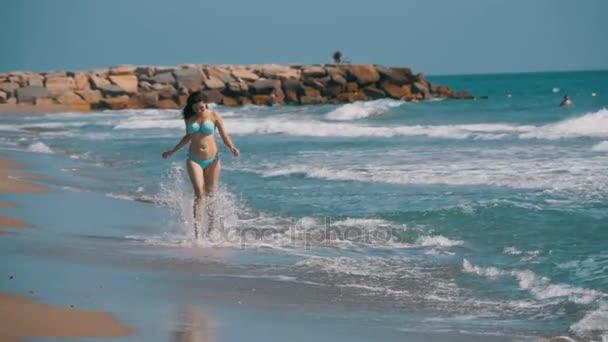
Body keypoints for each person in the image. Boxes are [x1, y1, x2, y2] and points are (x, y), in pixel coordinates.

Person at [162, 91, 240, 239]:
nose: (199, 111)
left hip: (213, 160)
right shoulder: (189, 118)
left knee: (210, 194)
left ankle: (211, 229)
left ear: (206, 104)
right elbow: (188, 137)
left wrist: (232, 147)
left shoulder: (214, 116)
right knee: (199, 193)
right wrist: (172, 151)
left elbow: (224, 135)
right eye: (196, 109)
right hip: (194, 159)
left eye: (201, 108)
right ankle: (198, 234)